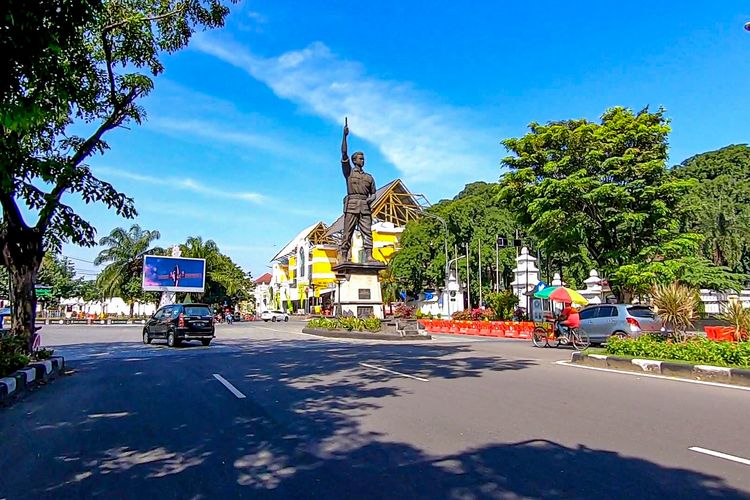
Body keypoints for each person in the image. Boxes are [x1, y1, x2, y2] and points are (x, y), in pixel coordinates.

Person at [339, 118, 377, 263]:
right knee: (347, 232)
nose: (363, 160)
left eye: (363, 158)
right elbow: (343, 154)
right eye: (360, 158)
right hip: (352, 204)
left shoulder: (369, 177)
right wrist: (345, 136)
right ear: (354, 160)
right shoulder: (348, 172)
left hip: (365, 206)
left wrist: (371, 199)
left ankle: (369, 255)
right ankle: (344, 256)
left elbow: (374, 192)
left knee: (367, 231)